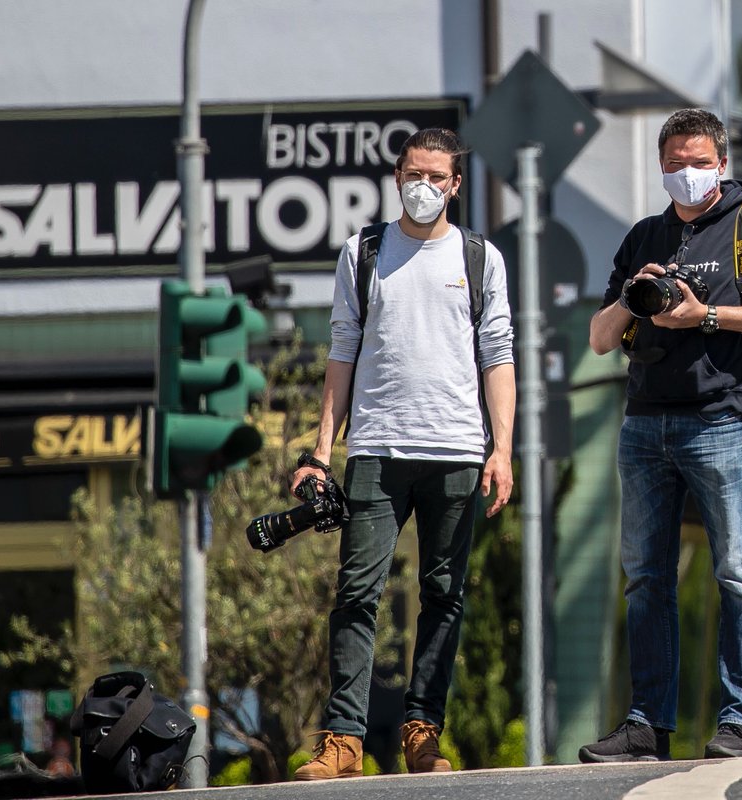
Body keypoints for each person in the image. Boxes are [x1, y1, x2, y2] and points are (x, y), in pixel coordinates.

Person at [579, 108, 742, 762]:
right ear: (660, 166)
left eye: (698, 160)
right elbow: (599, 339)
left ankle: (738, 722)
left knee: (736, 571)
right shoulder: (645, 236)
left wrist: (705, 316)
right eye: (675, 162)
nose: (686, 172)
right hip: (644, 421)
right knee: (646, 578)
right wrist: (635, 294)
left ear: (722, 163)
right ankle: (647, 724)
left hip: (721, 419)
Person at [291, 127, 515, 780]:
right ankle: (342, 742)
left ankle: (423, 731)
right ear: (397, 176)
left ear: (455, 184)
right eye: (413, 174)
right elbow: (341, 353)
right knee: (356, 593)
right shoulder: (362, 252)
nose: (423, 186)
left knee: (444, 594)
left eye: (436, 177)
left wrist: (502, 449)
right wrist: (317, 451)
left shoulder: (480, 259)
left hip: (455, 450)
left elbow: (497, 357)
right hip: (377, 450)